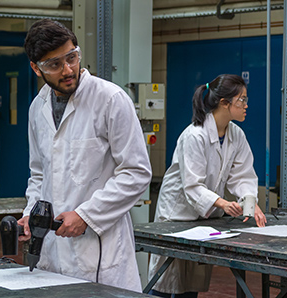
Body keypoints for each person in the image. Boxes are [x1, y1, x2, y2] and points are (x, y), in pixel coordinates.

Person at [16, 19, 152, 292]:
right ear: (36, 67)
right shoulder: (37, 108)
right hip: (54, 249)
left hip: (100, 250)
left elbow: (137, 173)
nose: (68, 70)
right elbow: (39, 173)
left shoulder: (111, 99)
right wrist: (32, 213)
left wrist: (87, 215)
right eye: (54, 65)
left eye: (72, 57)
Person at [148, 74, 267, 298]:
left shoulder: (236, 135)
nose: (246, 105)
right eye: (241, 100)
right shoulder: (194, 135)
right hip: (176, 216)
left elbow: (242, 176)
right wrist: (222, 202)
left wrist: (251, 203)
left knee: (190, 284)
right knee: (166, 282)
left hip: (203, 219)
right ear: (224, 103)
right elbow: (192, 185)